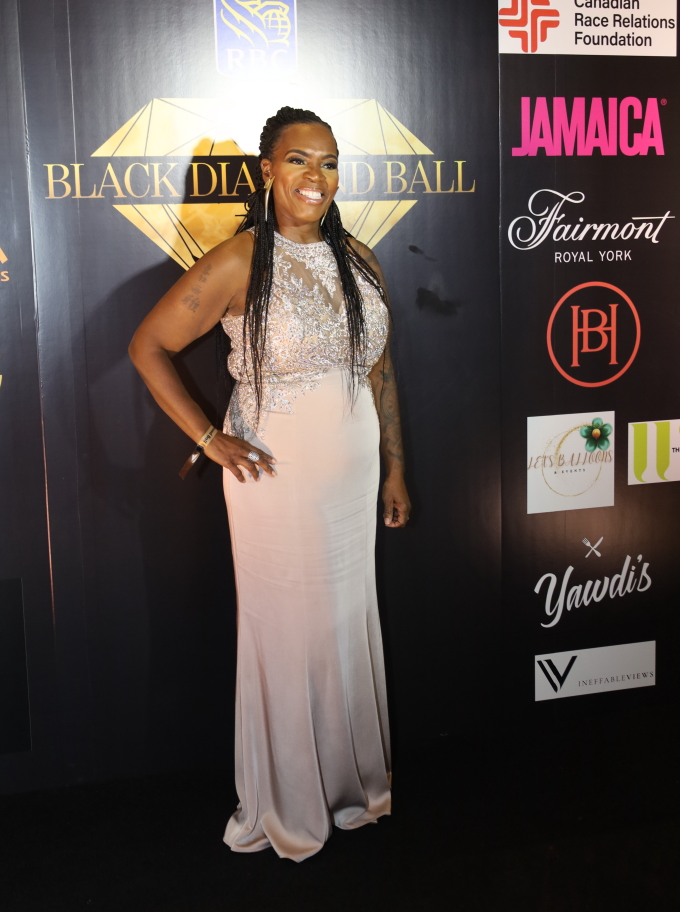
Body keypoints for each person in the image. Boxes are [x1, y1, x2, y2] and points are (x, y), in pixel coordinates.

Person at [129, 106, 411, 862]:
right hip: (277, 480)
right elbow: (148, 345)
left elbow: (379, 369)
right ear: (266, 170)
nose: (316, 177)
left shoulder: (360, 259)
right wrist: (208, 437)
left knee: (344, 628)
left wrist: (395, 467)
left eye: (328, 162)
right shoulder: (238, 260)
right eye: (298, 160)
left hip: (351, 477)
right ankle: (289, 802)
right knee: (290, 637)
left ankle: (349, 788)